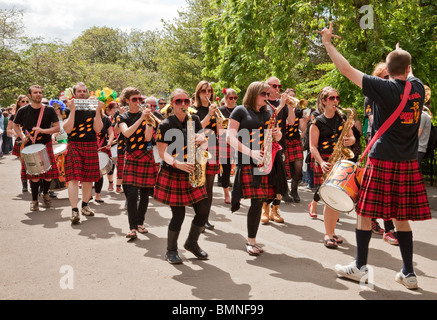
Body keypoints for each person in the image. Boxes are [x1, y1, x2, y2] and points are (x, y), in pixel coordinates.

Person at [320, 23, 431, 289]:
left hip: (381, 160)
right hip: (406, 161)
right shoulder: (416, 88)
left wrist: (327, 43)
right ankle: (408, 272)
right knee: (401, 218)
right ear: (407, 69)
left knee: (364, 213)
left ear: (389, 71)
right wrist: (399, 53)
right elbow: (408, 70)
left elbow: (345, 69)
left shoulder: (383, 88)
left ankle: (359, 266)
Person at [154, 88, 210, 264]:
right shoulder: (165, 124)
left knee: (203, 211)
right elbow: (163, 153)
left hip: (193, 171)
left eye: (186, 101)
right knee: (178, 215)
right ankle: (171, 250)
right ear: (172, 104)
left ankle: (191, 243)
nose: (183, 104)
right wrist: (177, 163)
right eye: (179, 101)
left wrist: (203, 141)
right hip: (173, 173)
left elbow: (204, 144)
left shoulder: (194, 120)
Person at [228, 81, 284, 256]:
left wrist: (278, 134)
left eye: (268, 94)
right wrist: (250, 152)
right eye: (263, 94)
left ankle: (251, 239)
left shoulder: (269, 112)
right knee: (256, 200)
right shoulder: (240, 111)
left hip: (266, 161)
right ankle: (251, 241)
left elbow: (279, 136)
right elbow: (230, 137)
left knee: (259, 201)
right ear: (253, 93)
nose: (267, 98)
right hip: (248, 160)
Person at [309, 86, 356, 249]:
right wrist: (321, 162)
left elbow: (352, 137)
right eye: (331, 98)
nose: (336, 101)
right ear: (324, 101)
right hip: (327, 161)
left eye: (337, 98)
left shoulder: (342, 119)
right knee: (330, 200)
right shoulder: (317, 121)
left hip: (341, 162)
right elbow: (312, 146)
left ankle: (332, 231)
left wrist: (352, 140)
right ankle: (328, 234)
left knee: (336, 198)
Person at [365, 62, 399, 245]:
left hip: (392, 146)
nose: (389, 81)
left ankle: (374, 219)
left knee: (385, 190)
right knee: (383, 190)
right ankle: (389, 229)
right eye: (386, 78)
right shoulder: (372, 95)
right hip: (377, 144)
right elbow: (373, 120)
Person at [117, 87, 157, 239]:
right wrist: (141, 119)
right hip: (131, 156)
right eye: (134, 99)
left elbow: (148, 138)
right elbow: (126, 133)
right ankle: (132, 227)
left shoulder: (148, 116)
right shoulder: (123, 117)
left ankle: (139, 224)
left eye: (140, 99)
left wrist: (148, 121)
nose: (138, 102)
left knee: (145, 194)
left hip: (146, 155)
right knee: (132, 195)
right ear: (127, 100)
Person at [13, 85, 60, 211]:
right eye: (35, 93)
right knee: (34, 175)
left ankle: (45, 194)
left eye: (40, 92)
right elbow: (16, 126)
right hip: (29, 145)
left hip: (45, 144)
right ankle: (34, 200)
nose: (38, 94)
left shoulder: (49, 110)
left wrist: (43, 131)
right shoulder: (22, 111)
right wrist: (22, 136)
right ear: (30, 95)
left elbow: (57, 128)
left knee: (48, 175)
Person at [63, 82, 104, 224]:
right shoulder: (68, 109)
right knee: (73, 178)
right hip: (74, 144)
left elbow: (98, 129)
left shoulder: (93, 108)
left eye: (84, 91)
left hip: (90, 144)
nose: (82, 93)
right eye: (79, 91)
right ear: (75, 93)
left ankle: (85, 205)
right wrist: (73, 110)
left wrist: (98, 110)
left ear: (87, 93)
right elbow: (67, 129)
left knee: (88, 179)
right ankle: (74, 210)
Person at [261, 76, 294, 224]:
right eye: (274, 86)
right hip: (264, 146)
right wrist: (281, 105)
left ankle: (275, 209)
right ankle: (264, 209)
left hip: (279, 144)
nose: (278, 89)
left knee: (280, 179)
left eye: (279, 86)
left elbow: (292, 122)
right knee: (267, 179)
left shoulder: (283, 104)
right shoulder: (263, 102)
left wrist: (291, 105)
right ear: (267, 87)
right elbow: (268, 117)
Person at [192, 80, 223, 230]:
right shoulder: (193, 110)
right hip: (199, 149)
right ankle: (199, 218)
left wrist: (218, 117)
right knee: (200, 186)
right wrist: (210, 114)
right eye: (204, 91)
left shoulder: (215, 109)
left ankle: (205, 218)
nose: (207, 94)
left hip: (213, 148)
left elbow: (219, 131)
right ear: (198, 93)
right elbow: (198, 128)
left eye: (209, 91)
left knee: (209, 188)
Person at [283, 88, 307, 203]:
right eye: (290, 96)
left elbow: (302, 128)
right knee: (285, 169)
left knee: (298, 168)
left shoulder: (299, 110)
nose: (292, 98)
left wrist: (306, 120)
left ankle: (294, 190)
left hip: (296, 141)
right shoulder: (281, 108)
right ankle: (285, 191)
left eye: (293, 96)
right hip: (284, 141)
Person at [218, 88, 238, 204]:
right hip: (224, 141)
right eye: (231, 98)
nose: (233, 100)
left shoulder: (239, 109)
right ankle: (226, 193)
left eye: (235, 98)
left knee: (239, 168)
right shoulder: (220, 110)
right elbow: (219, 129)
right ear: (225, 98)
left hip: (238, 140)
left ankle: (237, 192)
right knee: (226, 169)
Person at [94, 103, 115, 202]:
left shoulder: (106, 119)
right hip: (90, 146)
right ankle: (88, 194)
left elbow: (111, 133)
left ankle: (97, 194)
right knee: (88, 172)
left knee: (99, 172)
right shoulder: (87, 117)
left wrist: (110, 142)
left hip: (102, 147)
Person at [9, 96, 30, 192]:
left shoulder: (33, 112)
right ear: (19, 103)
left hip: (33, 139)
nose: (25, 102)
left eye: (27, 101)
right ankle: (24, 185)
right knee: (24, 164)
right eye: (23, 101)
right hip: (21, 141)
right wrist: (17, 134)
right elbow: (8, 129)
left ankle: (37, 185)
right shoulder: (14, 115)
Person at [417, 85, 432, 172]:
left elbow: (417, 135)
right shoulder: (425, 115)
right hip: (420, 149)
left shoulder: (423, 116)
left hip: (418, 148)